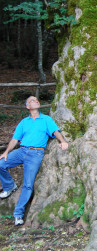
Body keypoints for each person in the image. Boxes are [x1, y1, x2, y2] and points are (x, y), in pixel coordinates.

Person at [0, 96, 68, 226]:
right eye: (32, 100)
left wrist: (63, 141)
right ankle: (9, 186)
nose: (36, 101)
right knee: (1, 164)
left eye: (37, 100)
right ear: (28, 107)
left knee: (28, 184)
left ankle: (18, 214)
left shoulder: (46, 119)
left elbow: (55, 131)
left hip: (36, 153)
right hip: (21, 151)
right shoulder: (24, 122)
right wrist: (6, 152)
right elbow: (15, 139)